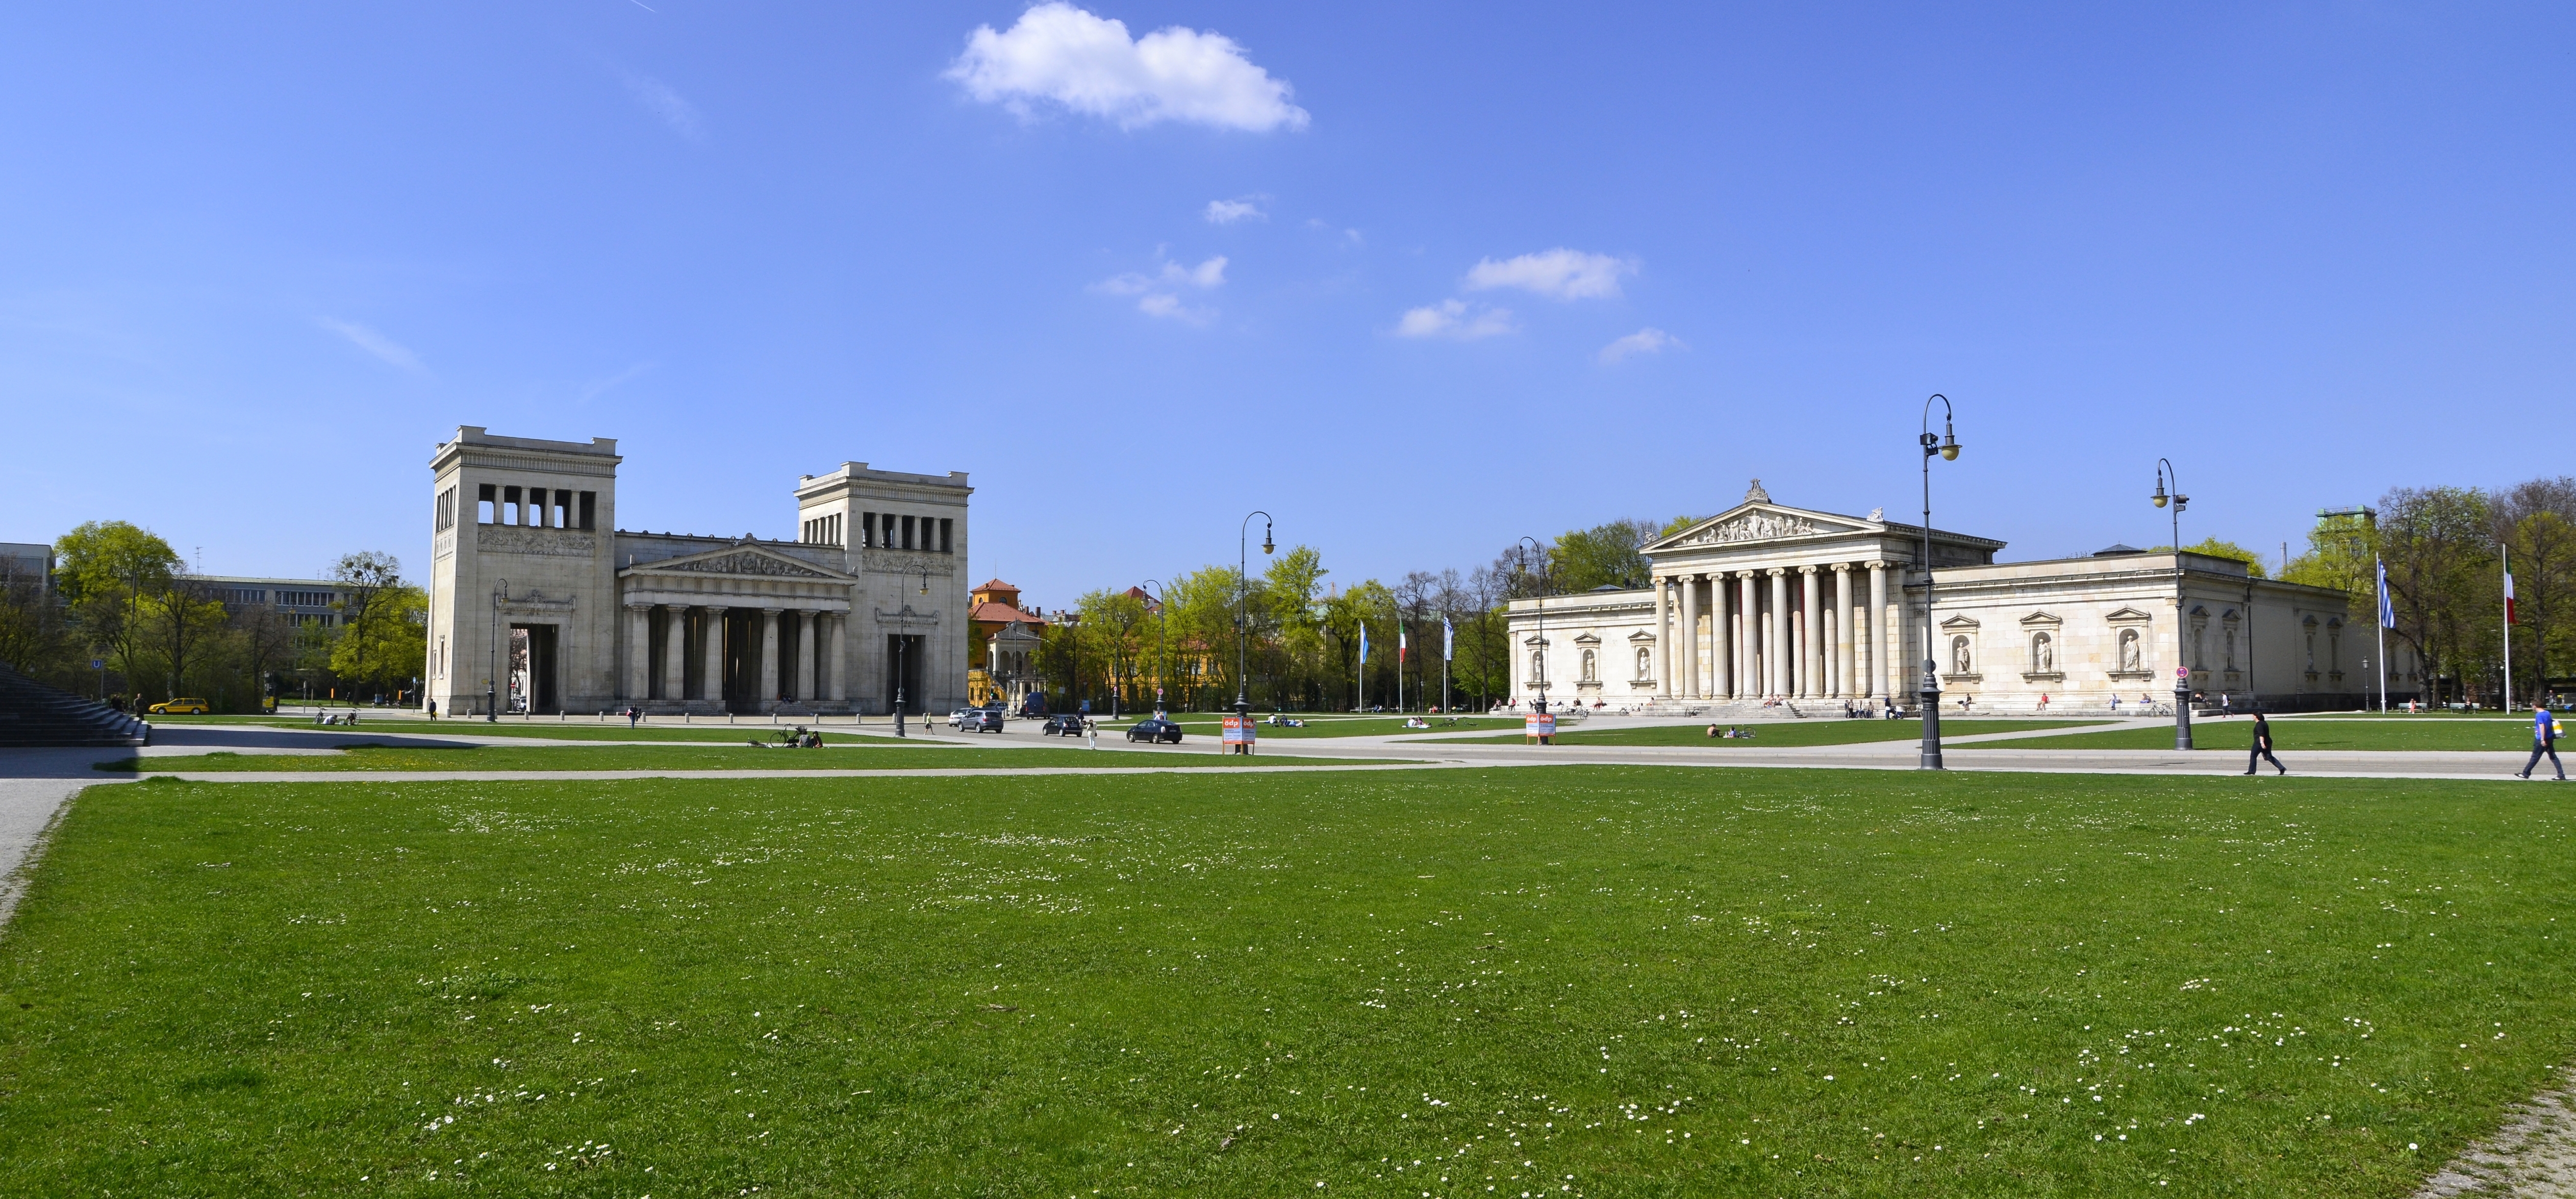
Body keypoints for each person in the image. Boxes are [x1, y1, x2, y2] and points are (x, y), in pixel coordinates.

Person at [2520, 702, 2565, 781]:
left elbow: (2542, 727)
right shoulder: (2547, 713)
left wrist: (2542, 739)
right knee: (2553, 757)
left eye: (2532, 706)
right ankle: (2561, 775)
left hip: (2542, 738)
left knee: (2535, 757)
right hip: (2550, 737)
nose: (2532, 708)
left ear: (2535, 706)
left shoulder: (2539, 715)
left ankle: (2526, 774)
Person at [2244, 712, 2286, 776]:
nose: (2252, 717)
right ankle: (2281, 768)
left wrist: (2262, 743)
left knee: (2253, 756)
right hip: (2268, 741)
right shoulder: (2264, 723)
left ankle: (2251, 771)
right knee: (2269, 756)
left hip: (2260, 742)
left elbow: (2262, 734)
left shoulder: (2259, 724)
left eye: (2253, 716)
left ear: (2256, 717)